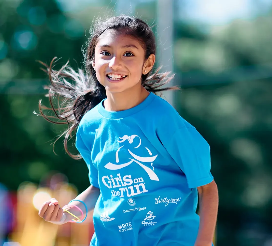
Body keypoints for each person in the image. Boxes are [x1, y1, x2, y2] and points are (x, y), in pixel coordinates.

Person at [38, 16, 218, 246]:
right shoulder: (90, 126)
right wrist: (67, 213)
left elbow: (207, 188)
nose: (115, 63)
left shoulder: (164, 120)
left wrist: (202, 243)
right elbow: (100, 187)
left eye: (128, 53)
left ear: (148, 63)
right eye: (105, 53)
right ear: (93, 61)